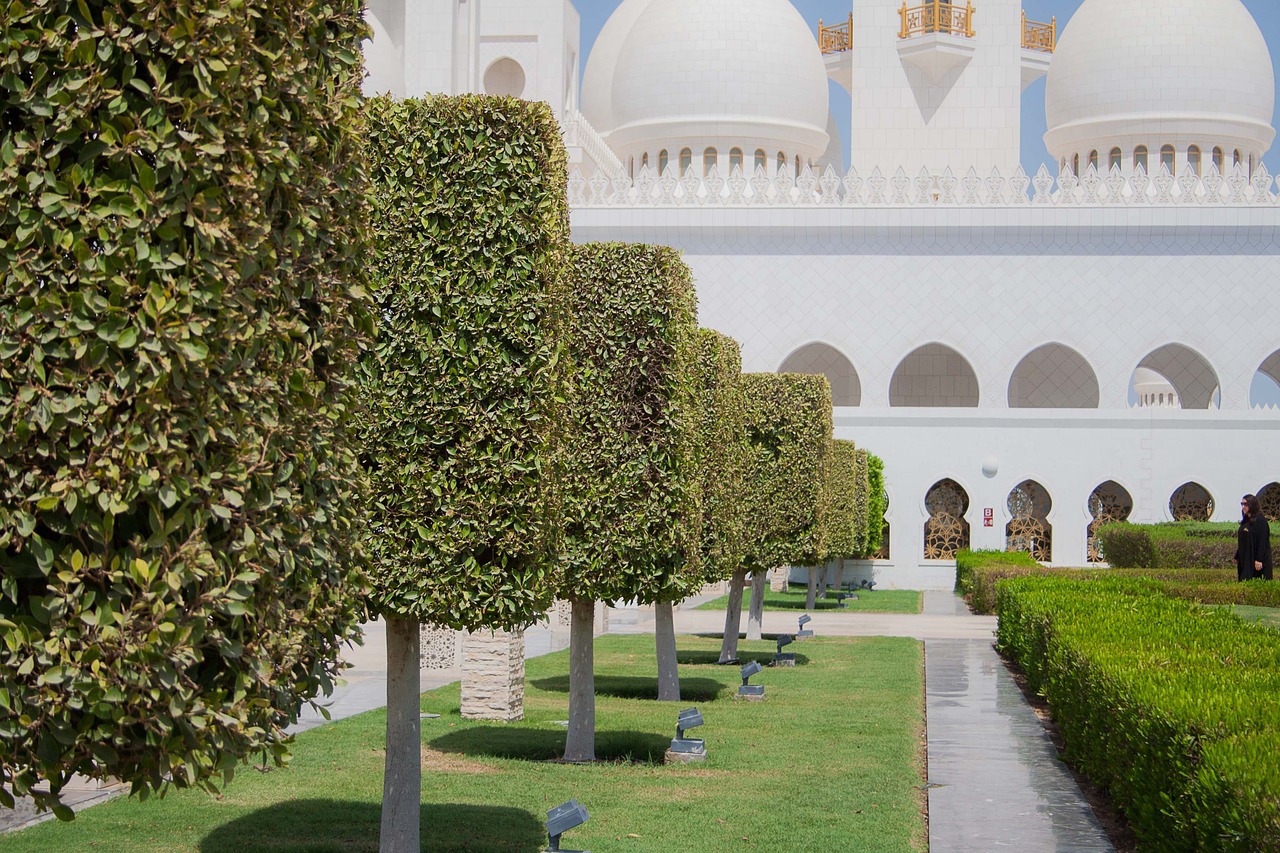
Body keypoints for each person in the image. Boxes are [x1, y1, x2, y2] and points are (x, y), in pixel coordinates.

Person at [1234, 494, 1273, 581]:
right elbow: (1243, 540)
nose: (1243, 507)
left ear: (1252, 505)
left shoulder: (1260, 520)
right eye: (1242, 504)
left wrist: (1259, 559)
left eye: (1245, 504)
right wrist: (1237, 556)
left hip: (1255, 559)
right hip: (1245, 558)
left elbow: (1262, 541)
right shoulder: (1246, 520)